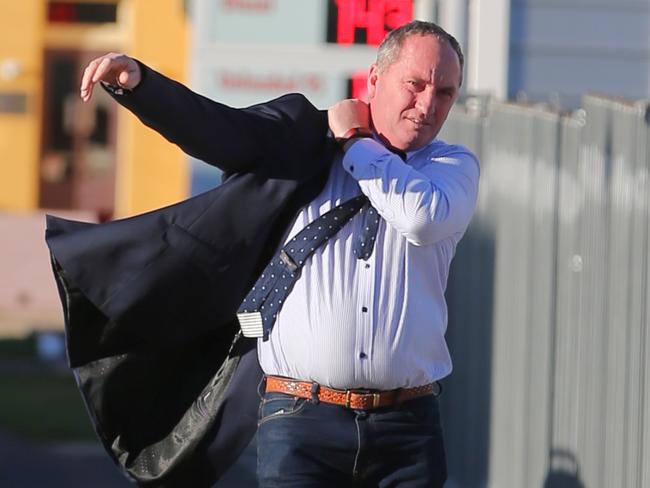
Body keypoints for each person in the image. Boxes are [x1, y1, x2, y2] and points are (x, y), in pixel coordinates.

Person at [71, 20, 478, 487]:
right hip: (302, 420)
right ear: (374, 79)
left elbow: (420, 218)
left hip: (408, 427)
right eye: (416, 83)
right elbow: (222, 131)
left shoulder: (451, 167)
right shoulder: (302, 141)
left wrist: (357, 142)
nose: (427, 104)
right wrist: (143, 87)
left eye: (445, 93)